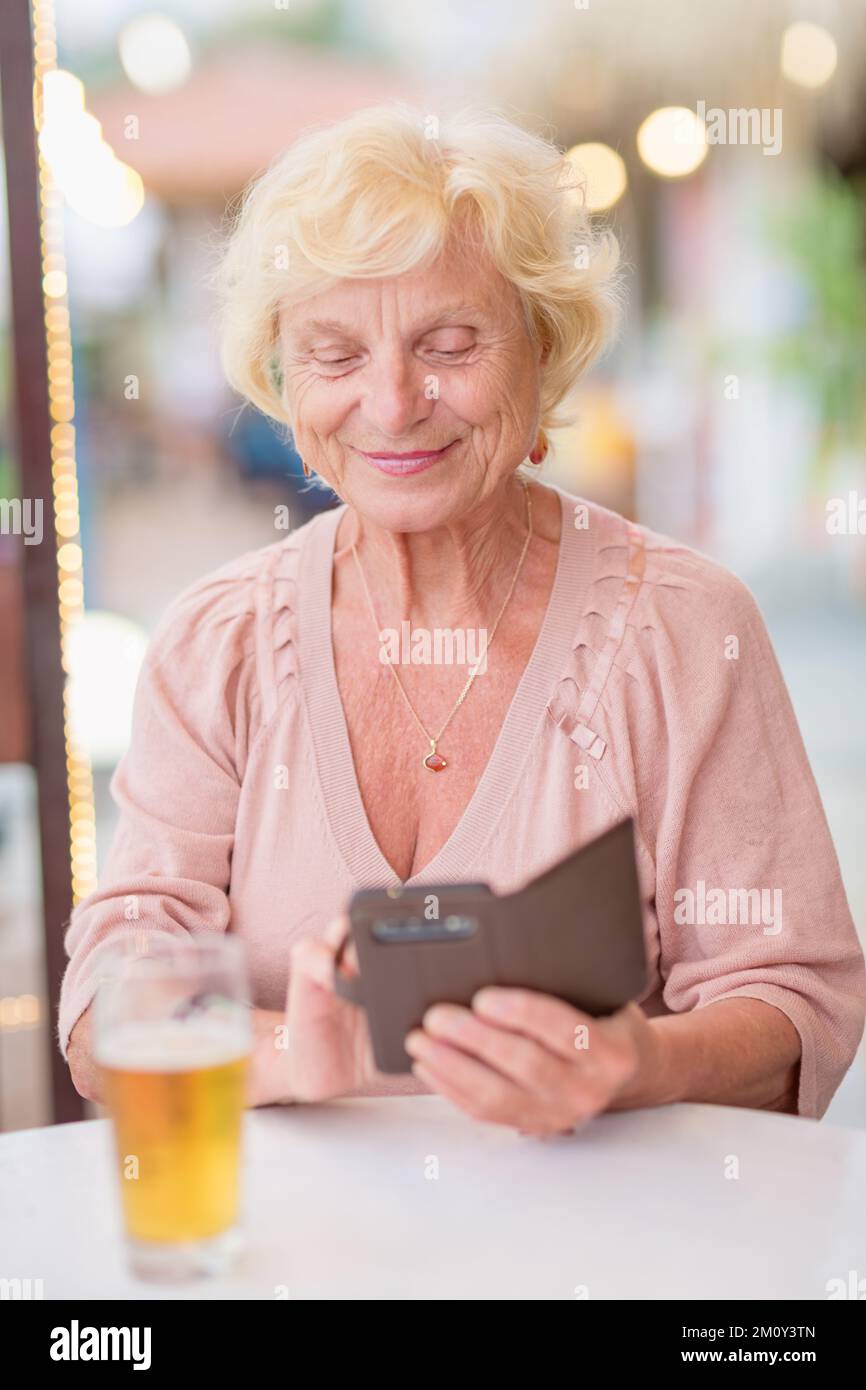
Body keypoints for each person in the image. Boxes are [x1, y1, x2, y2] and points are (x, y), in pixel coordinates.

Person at [61, 106, 864, 1136]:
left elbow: (797, 1007)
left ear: (542, 351)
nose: (393, 404)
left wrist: (635, 1062)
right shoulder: (214, 643)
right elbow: (101, 1012)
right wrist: (300, 1054)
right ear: (283, 382)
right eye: (336, 354)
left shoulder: (682, 627)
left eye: (447, 344)